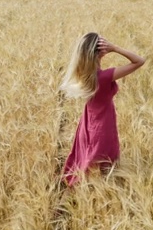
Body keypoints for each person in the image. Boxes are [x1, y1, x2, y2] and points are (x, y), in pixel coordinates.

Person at [60, 32, 145, 186]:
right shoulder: (104, 77)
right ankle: (98, 190)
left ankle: (87, 187)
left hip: (88, 120)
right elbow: (139, 61)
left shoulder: (85, 74)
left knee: (89, 155)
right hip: (103, 121)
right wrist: (115, 48)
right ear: (100, 51)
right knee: (103, 160)